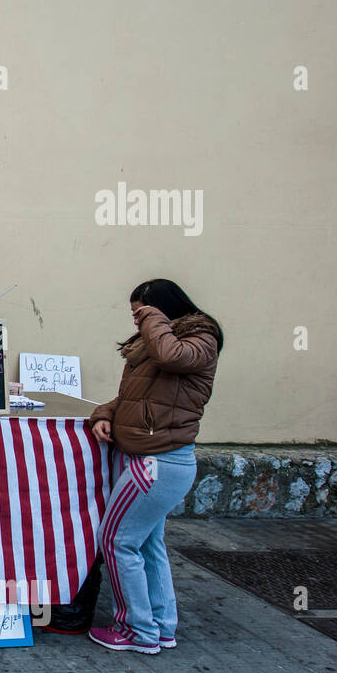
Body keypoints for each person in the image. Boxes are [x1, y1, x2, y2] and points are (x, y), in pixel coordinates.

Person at [86, 279, 223, 653]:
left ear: (163, 309)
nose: (136, 320)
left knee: (117, 541)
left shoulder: (200, 340)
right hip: (149, 458)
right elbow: (131, 397)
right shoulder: (155, 344)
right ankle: (161, 627)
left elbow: (171, 357)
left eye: (140, 312)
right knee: (148, 544)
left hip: (158, 462)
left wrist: (154, 320)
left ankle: (136, 630)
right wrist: (104, 414)